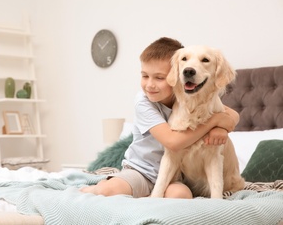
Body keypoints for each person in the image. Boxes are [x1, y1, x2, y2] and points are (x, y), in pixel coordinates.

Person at [80, 37, 239, 199]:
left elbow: (232, 114)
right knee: (108, 191)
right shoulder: (144, 102)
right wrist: (215, 122)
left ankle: (147, 196)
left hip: (174, 177)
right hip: (142, 171)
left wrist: (221, 128)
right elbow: (172, 142)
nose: (150, 85)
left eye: (159, 78)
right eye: (144, 76)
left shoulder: (188, 96)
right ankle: (97, 188)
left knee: (181, 196)